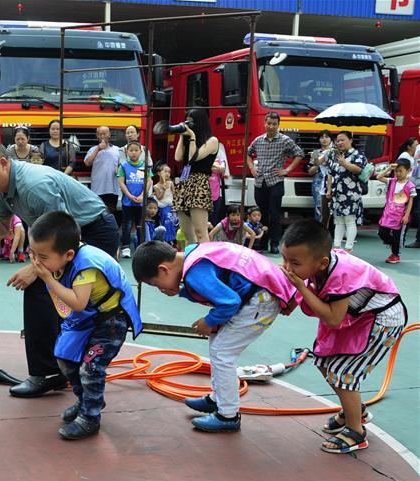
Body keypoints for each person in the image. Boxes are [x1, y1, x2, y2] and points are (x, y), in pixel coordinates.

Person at [0, 138, 120, 397]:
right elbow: (4, 232)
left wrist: (35, 269)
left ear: (3, 163)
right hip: (68, 236)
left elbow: (63, 235)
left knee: (60, 293)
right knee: (49, 292)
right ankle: (62, 365)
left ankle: (50, 372)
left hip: (93, 232)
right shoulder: (1, 190)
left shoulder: (34, 185)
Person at [132, 240, 295, 432]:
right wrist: (183, 293)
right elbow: (217, 290)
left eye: (155, 284)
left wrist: (208, 322)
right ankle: (219, 398)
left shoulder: (194, 273)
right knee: (217, 343)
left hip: (260, 301)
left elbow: (228, 302)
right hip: (260, 293)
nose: (159, 289)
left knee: (222, 352)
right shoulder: (195, 253)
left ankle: (228, 415)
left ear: (163, 269)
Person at [279, 220, 406, 454]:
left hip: (383, 320)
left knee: (343, 373)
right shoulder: (318, 265)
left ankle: (356, 431)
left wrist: (300, 289)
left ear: (322, 262)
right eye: (285, 259)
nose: (287, 267)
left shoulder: (340, 274)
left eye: (294, 263)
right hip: (359, 318)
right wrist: (291, 301)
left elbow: (332, 318)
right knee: (323, 361)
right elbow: (310, 286)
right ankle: (355, 409)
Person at [27, 212, 142, 440]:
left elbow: (78, 303)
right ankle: (86, 400)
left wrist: (48, 279)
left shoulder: (85, 267)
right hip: (90, 317)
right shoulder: (63, 257)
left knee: (91, 367)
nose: (36, 262)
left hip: (111, 320)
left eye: (42, 257)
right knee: (65, 358)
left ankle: (90, 417)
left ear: (68, 254)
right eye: (32, 253)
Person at [246, 112, 304, 253]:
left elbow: (300, 153)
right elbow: (248, 153)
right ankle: (262, 242)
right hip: (260, 181)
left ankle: (274, 243)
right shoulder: (258, 140)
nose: (271, 126)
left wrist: (287, 169)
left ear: (278, 125)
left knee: (275, 213)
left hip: (276, 181)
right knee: (261, 214)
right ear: (264, 123)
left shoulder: (285, 140)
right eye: (269, 123)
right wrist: (252, 168)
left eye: (274, 124)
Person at [174, 109, 219, 246]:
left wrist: (192, 136)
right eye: (187, 120)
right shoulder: (188, 140)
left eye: (192, 121)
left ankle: (205, 262)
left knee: (200, 232)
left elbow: (194, 157)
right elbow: (177, 157)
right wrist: (183, 136)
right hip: (184, 182)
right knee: (187, 233)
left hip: (199, 184)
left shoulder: (212, 141)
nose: (189, 124)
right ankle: (192, 261)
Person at [326, 131, 367, 253]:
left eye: (342, 140)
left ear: (350, 140)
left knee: (349, 220)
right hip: (337, 193)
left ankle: (349, 248)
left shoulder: (357, 154)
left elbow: (359, 170)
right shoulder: (335, 155)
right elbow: (330, 174)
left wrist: (345, 163)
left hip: (351, 193)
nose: (339, 143)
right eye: (338, 141)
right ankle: (337, 246)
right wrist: (329, 189)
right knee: (338, 220)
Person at [375, 158, 415, 264]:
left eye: (400, 171)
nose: (397, 173)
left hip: (400, 217)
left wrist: (406, 216)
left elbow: (410, 202)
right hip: (388, 214)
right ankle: (394, 245)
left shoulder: (410, 186)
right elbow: (378, 177)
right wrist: (389, 168)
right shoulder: (392, 181)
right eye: (396, 171)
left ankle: (395, 255)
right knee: (381, 232)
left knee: (397, 237)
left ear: (408, 170)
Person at [117, 140, 151, 258]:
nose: (133, 153)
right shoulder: (123, 166)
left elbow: (149, 181)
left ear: (140, 152)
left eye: (136, 150)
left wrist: (142, 195)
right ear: (127, 152)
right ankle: (125, 247)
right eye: (131, 150)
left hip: (141, 203)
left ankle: (141, 248)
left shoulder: (145, 166)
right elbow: (121, 182)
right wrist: (129, 195)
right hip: (127, 202)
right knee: (127, 224)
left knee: (140, 224)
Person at [83, 126, 123, 227]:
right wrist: (98, 149)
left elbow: (122, 166)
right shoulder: (93, 149)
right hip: (97, 187)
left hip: (112, 187)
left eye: (105, 133)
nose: (102, 136)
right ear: (97, 136)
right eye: (100, 134)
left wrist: (118, 169)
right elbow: (87, 163)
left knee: (112, 212)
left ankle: (112, 231)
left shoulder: (117, 150)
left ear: (109, 135)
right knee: (97, 211)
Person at [307, 130, 333, 223]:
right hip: (319, 181)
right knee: (319, 207)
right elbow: (310, 171)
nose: (324, 139)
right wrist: (317, 162)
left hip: (333, 180)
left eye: (327, 137)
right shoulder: (316, 152)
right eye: (322, 137)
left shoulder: (335, 151)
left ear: (331, 139)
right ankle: (319, 230)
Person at [153, 163, 177, 244]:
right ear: (159, 173)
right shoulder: (156, 186)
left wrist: (175, 205)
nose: (167, 174)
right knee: (167, 220)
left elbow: (174, 194)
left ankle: (173, 238)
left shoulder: (170, 183)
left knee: (174, 221)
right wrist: (163, 189)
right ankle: (167, 238)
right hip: (163, 206)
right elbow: (159, 197)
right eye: (165, 171)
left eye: (169, 172)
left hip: (171, 206)